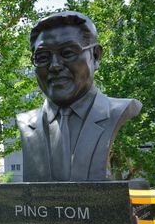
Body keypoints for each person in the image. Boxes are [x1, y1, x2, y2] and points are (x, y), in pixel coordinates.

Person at [17, 11, 142, 182]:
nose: (54, 66)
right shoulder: (26, 122)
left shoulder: (116, 111)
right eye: (43, 57)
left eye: (68, 53)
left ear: (96, 56)